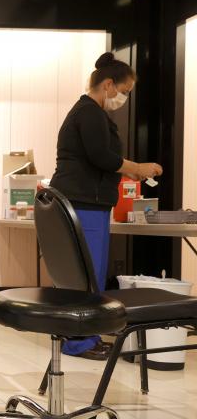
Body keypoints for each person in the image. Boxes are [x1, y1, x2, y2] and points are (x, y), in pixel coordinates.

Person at [50, 52, 163, 360]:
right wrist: (137, 167)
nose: (124, 97)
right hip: (83, 205)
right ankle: (79, 341)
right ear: (109, 85)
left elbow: (104, 161)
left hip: (87, 204)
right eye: (124, 91)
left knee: (89, 274)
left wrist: (135, 170)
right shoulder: (89, 113)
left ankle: (85, 336)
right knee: (87, 275)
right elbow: (102, 157)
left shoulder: (92, 113)